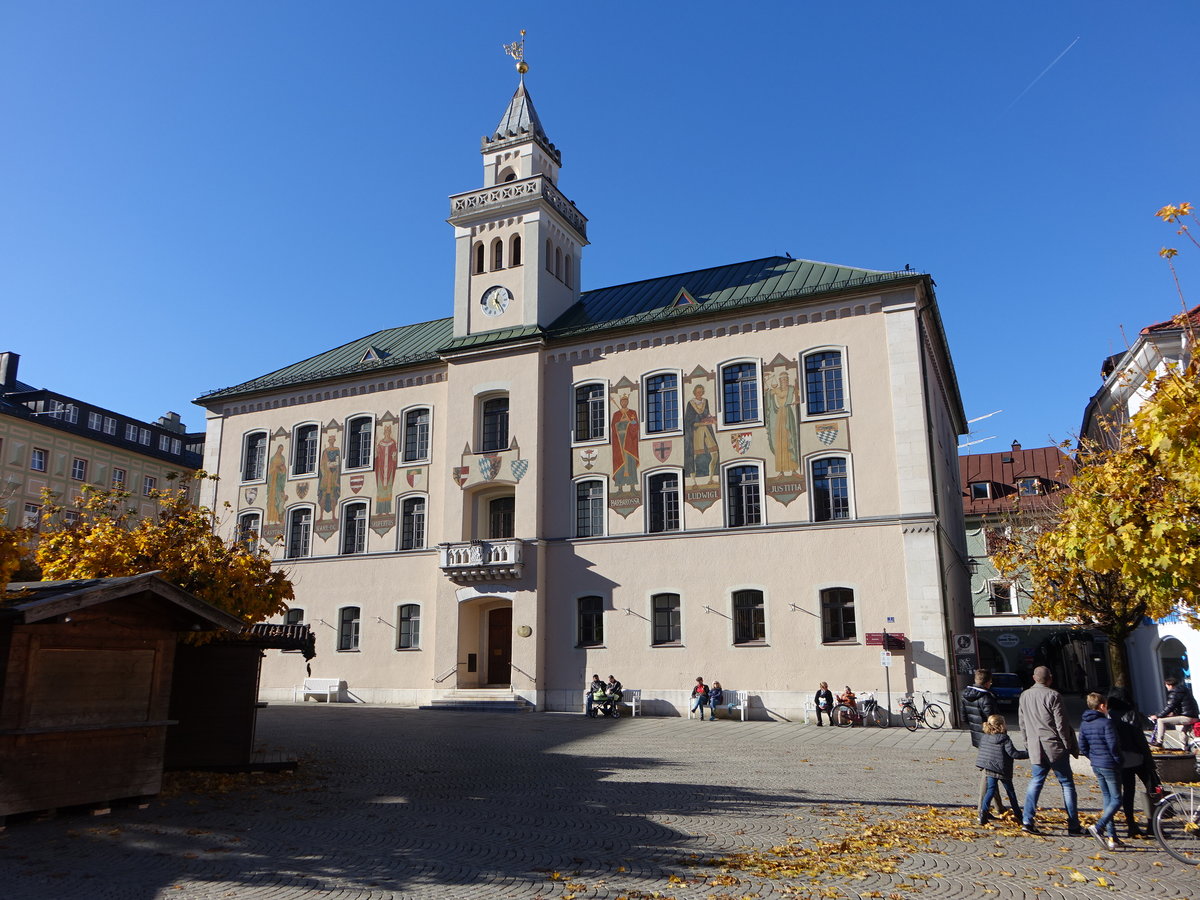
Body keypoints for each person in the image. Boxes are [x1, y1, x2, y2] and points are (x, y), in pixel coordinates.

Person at [1018, 666, 1082, 836]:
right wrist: (1067, 745)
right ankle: (1073, 824)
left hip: (1035, 746)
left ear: (1034, 678)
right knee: (1067, 784)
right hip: (1054, 746)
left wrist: (1027, 743)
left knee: (1036, 781)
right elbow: (1061, 724)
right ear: (1050, 679)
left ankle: (1027, 820)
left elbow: (1022, 723)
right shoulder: (1054, 696)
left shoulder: (1024, 696)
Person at [1106, 686, 1162, 837]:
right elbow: (1140, 740)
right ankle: (1153, 824)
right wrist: (1149, 761)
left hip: (1121, 760)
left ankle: (1131, 824)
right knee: (1152, 790)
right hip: (1138, 758)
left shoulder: (1109, 715)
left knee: (1128, 793)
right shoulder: (1131, 713)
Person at [1078, 692, 1125, 850]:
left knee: (1107, 799)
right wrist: (1118, 760)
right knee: (1117, 799)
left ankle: (1113, 837)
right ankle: (1099, 826)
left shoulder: (1084, 724)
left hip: (1096, 764)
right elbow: (1114, 745)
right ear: (1102, 706)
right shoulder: (1106, 723)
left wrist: (1092, 757)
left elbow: (1082, 746)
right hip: (1109, 764)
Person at [961, 669, 1005, 815]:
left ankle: (999, 806)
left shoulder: (965, 695)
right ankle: (983, 809)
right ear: (988, 682)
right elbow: (993, 721)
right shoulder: (986, 697)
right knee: (989, 773)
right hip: (990, 738)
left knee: (991, 770)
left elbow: (964, 718)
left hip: (977, 737)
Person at [974, 714, 1028, 826]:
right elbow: (1014, 753)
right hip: (1003, 770)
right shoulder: (1005, 739)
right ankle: (1019, 815)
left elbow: (983, 752)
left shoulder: (985, 737)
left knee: (990, 791)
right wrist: (1028, 753)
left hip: (989, 768)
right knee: (1011, 793)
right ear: (1001, 725)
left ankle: (983, 813)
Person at [1148, 675, 1199, 747]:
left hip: (1187, 717)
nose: (1166, 687)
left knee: (1160, 720)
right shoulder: (1183, 690)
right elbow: (1179, 707)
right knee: (1183, 732)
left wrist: (1158, 716)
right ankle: (1185, 749)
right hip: (1194, 716)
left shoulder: (1175, 693)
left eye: (1166, 685)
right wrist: (1169, 714)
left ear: (1169, 685)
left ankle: (1159, 742)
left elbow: (1170, 706)